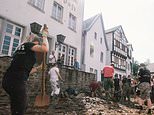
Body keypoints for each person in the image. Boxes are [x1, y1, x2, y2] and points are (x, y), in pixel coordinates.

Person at [2, 28, 49, 115]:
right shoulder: (28, 45)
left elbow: (26, 70)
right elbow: (45, 48)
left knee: (17, 106)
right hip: (16, 81)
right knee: (20, 108)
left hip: (8, 80)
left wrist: (39, 68)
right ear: (34, 42)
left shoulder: (20, 50)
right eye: (37, 44)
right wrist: (45, 35)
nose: (37, 47)